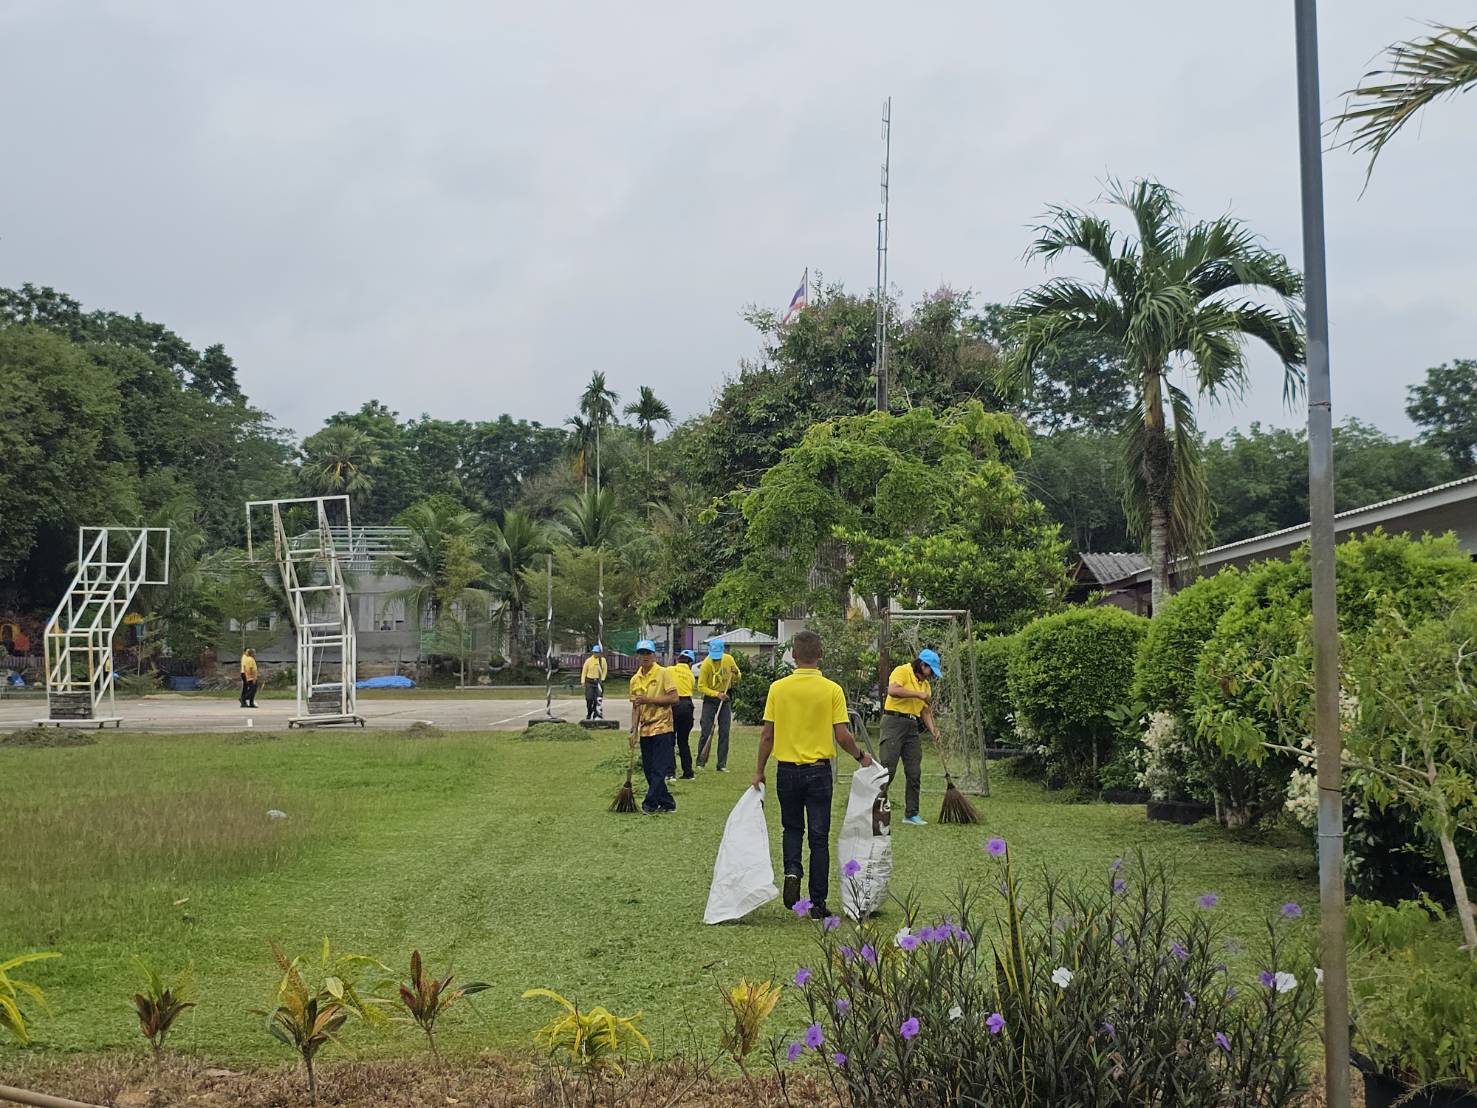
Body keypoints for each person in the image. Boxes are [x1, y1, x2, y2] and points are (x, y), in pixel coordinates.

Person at [752, 629, 874, 918]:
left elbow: (767, 735)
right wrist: (860, 756)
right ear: (820, 654)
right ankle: (818, 903)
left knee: (792, 828)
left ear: (793, 655)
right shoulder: (832, 690)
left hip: (786, 771)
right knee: (819, 837)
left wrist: (759, 770)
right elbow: (842, 735)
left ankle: (792, 871)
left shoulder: (778, 689)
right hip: (819, 772)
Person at [879, 648, 941, 826]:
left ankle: (911, 814)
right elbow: (893, 690)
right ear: (922, 665)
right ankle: (875, 808)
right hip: (893, 721)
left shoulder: (926, 686)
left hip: (912, 726)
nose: (932, 675)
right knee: (888, 769)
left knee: (914, 771)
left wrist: (933, 730)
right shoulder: (902, 671)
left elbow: (925, 712)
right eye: (931, 670)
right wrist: (918, 694)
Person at [629, 640, 679, 813]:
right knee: (649, 770)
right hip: (645, 729)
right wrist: (633, 730)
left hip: (662, 726)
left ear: (654, 655)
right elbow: (635, 706)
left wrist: (649, 700)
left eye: (648, 653)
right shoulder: (635, 680)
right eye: (642, 653)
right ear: (637, 656)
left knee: (659, 768)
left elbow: (674, 698)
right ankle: (667, 803)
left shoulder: (663, 673)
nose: (645, 656)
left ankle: (649, 804)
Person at [695, 639, 742, 772]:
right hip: (710, 699)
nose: (716, 659)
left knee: (724, 731)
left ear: (723, 651)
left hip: (725, 697)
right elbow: (701, 686)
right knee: (706, 730)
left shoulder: (729, 659)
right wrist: (716, 694)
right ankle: (700, 762)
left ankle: (721, 764)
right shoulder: (706, 664)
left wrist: (736, 673)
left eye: (718, 656)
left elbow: (738, 677)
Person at [667, 648, 697, 780]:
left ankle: (670, 772)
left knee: (670, 740)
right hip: (688, 706)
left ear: (678, 660)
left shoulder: (669, 670)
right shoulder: (690, 675)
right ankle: (688, 772)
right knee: (683, 741)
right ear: (690, 663)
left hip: (674, 705)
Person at [581, 644, 608, 720]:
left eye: (597, 652)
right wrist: (583, 681)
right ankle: (589, 712)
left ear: (600, 653)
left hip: (598, 682)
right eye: (594, 652)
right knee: (589, 699)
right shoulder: (588, 660)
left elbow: (605, 670)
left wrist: (602, 679)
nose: (595, 654)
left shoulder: (602, 660)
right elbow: (584, 671)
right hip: (590, 681)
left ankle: (596, 715)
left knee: (598, 700)